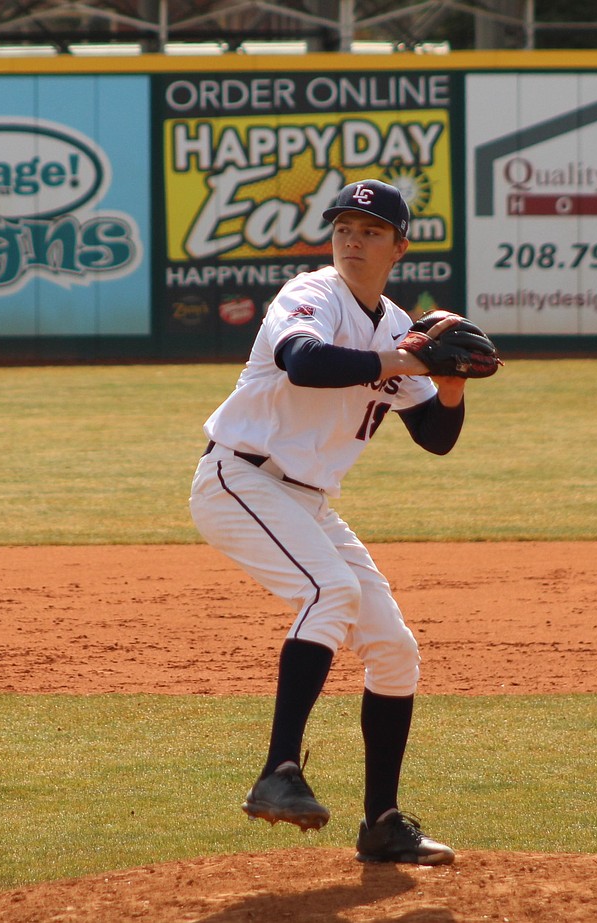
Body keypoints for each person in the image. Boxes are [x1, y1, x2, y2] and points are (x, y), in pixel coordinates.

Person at [189, 178, 490, 866]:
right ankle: (279, 770)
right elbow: (303, 361)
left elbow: (436, 437)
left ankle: (382, 823)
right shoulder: (312, 294)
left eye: (371, 231)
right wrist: (406, 359)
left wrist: (449, 383)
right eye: (344, 228)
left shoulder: (395, 329)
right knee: (329, 592)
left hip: (307, 500)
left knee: (394, 648)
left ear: (399, 247)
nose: (353, 240)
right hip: (239, 477)